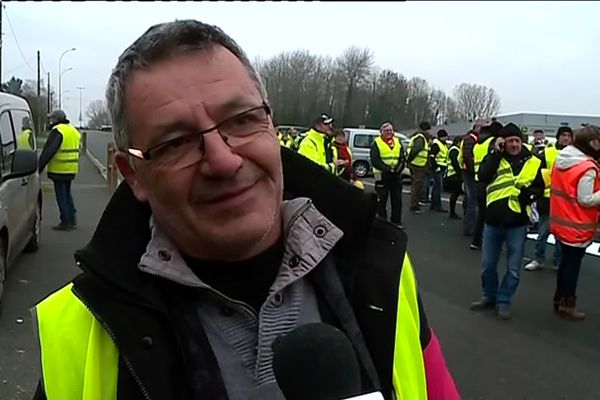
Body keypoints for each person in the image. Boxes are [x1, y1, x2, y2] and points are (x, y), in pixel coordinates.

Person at [31, 20, 459, 400]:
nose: (223, 160)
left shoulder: (379, 269)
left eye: (240, 120)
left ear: (272, 127)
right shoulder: (82, 328)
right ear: (134, 174)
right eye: (176, 142)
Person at [470, 123, 544, 320]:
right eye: (510, 141)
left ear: (522, 142)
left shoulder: (533, 162)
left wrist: (529, 196)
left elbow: (540, 188)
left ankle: (504, 301)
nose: (514, 144)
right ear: (503, 142)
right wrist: (496, 153)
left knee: (513, 268)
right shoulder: (494, 158)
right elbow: (483, 176)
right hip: (493, 221)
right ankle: (489, 296)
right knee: (488, 265)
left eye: (517, 141)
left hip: (517, 224)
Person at [549, 125, 600, 320]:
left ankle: (559, 298)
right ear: (591, 143)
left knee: (565, 263)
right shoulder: (586, 167)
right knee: (572, 266)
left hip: (562, 220)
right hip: (577, 224)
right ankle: (568, 303)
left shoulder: (563, 159)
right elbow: (585, 199)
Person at [524, 126, 573, 272]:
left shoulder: (575, 155)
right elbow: (537, 173)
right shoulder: (547, 152)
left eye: (568, 136)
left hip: (565, 199)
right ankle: (538, 259)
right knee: (543, 231)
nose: (566, 138)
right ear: (558, 137)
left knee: (560, 234)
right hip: (547, 197)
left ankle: (558, 262)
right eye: (563, 135)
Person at [38, 109, 81, 231]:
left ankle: (65, 221)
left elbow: (49, 151)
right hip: (71, 169)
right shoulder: (73, 130)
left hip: (59, 170)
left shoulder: (58, 131)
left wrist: (39, 167)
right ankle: (72, 219)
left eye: (52, 118)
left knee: (61, 196)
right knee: (67, 194)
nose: (50, 121)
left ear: (56, 119)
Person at [470, 122, 503, 250]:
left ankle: (476, 240)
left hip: (478, 179)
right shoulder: (492, 143)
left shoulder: (478, 143)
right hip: (488, 180)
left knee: (481, 213)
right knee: (490, 214)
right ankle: (488, 242)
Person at [370, 122, 405, 228]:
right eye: (386, 131)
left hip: (396, 175)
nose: (389, 132)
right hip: (382, 175)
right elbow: (375, 160)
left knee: (397, 200)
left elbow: (402, 158)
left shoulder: (398, 142)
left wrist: (398, 169)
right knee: (381, 200)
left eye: (391, 130)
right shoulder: (376, 143)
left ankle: (396, 222)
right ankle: (382, 222)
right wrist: (388, 169)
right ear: (381, 132)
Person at [459, 124, 480, 236]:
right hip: (469, 172)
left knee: (469, 199)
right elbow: (468, 156)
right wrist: (474, 171)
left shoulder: (471, 139)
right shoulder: (470, 139)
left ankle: (468, 223)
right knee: (472, 200)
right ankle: (469, 226)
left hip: (468, 171)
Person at [407, 121, 431, 214]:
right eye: (429, 130)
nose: (430, 132)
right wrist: (409, 160)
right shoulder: (420, 138)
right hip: (417, 165)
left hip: (418, 164)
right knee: (417, 186)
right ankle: (414, 205)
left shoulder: (420, 138)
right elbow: (415, 150)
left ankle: (415, 203)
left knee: (417, 186)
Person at [428, 129, 449, 212]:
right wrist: (436, 167)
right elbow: (432, 157)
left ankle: (433, 204)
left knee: (436, 187)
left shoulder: (442, 144)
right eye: (445, 136)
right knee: (438, 188)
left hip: (441, 167)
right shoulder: (437, 144)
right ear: (442, 137)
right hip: (438, 168)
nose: (446, 138)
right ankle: (438, 205)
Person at [444, 136, 463, 219]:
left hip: (453, 174)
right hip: (453, 175)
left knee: (455, 194)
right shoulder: (454, 150)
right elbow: (455, 163)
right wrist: (460, 173)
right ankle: (452, 212)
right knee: (454, 194)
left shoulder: (454, 149)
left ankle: (452, 212)